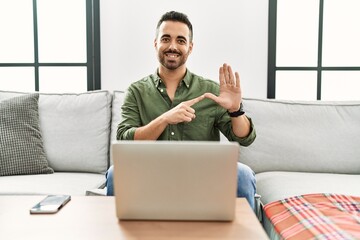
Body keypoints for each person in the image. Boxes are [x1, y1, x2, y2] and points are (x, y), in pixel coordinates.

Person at [106, 11, 257, 210]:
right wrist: (164, 119)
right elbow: (124, 139)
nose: (173, 47)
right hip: (151, 172)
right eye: (166, 39)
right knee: (115, 172)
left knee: (243, 175)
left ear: (190, 47)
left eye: (181, 40)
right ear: (155, 43)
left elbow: (244, 138)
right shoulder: (136, 91)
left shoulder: (210, 91)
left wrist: (236, 110)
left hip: (202, 173)